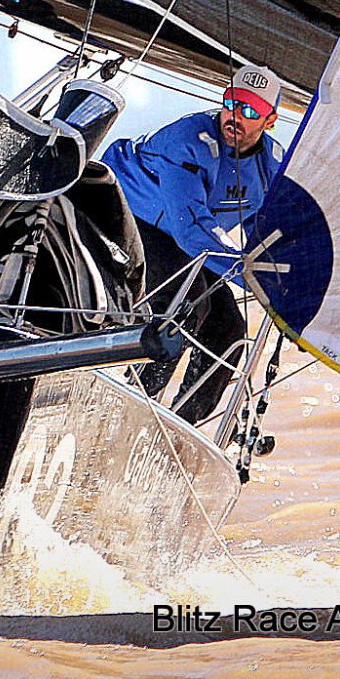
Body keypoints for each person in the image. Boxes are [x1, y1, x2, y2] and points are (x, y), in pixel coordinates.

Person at [100, 64, 287, 424]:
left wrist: (291, 284)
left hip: (187, 236)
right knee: (186, 302)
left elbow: (266, 231)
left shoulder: (271, 164)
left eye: (250, 112)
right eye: (231, 103)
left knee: (228, 327)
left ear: (270, 121)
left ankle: (182, 423)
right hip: (128, 214)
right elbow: (190, 229)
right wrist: (254, 278)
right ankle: (130, 407)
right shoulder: (187, 140)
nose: (235, 117)